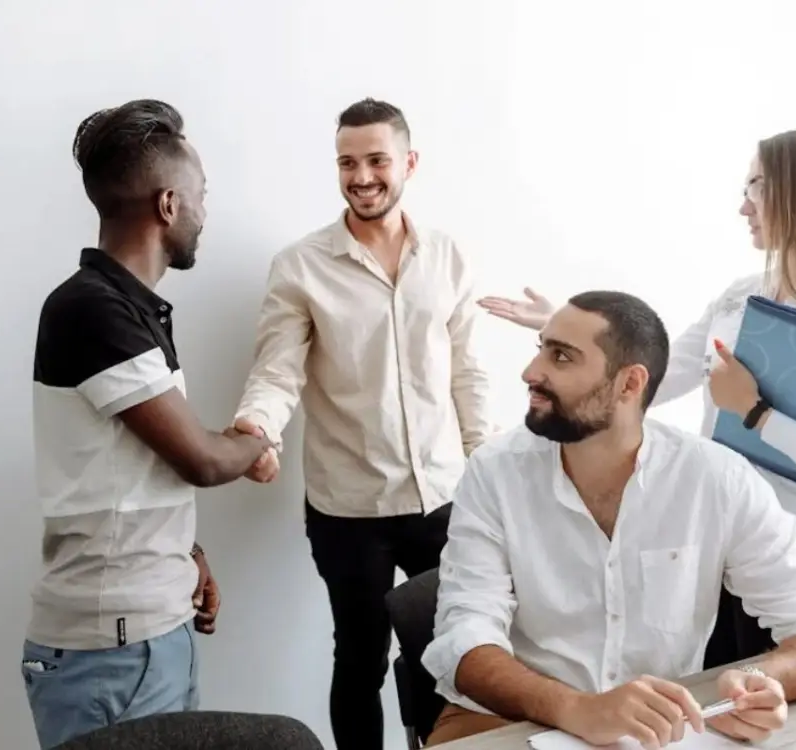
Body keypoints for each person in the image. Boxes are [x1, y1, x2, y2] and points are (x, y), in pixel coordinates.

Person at [476, 129, 796, 668]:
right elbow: (651, 379)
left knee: (775, 706)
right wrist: (573, 340)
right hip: (716, 549)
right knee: (703, 702)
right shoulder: (742, 295)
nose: (743, 206)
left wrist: (757, 414)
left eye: (757, 186)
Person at [420, 291, 796, 748]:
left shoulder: (716, 479)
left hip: (652, 733)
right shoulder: (495, 471)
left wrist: (762, 678)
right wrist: (576, 708)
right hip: (501, 721)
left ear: (629, 384)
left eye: (560, 357)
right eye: (541, 349)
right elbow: (463, 637)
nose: (531, 372)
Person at [232, 98, 494, 750]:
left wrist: (488, 467)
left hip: (443, 499)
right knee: (359, 658)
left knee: (456, 654)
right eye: (347, 163)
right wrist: (256, 429)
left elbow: (468, 373)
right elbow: (277, 371)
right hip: (348, 509)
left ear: (409, 162)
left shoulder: (448, 257)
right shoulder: (300, 266)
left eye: (377, 160)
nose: (362, 176)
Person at [25, 99, 272, 750]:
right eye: (201, 195)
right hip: (113, 653)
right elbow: (202, 460)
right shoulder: (92, 310)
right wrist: (256, 440)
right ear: (168, 204)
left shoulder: (124, 309)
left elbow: (124, 470)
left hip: (146, 636)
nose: (205, 212)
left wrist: (185, 555)